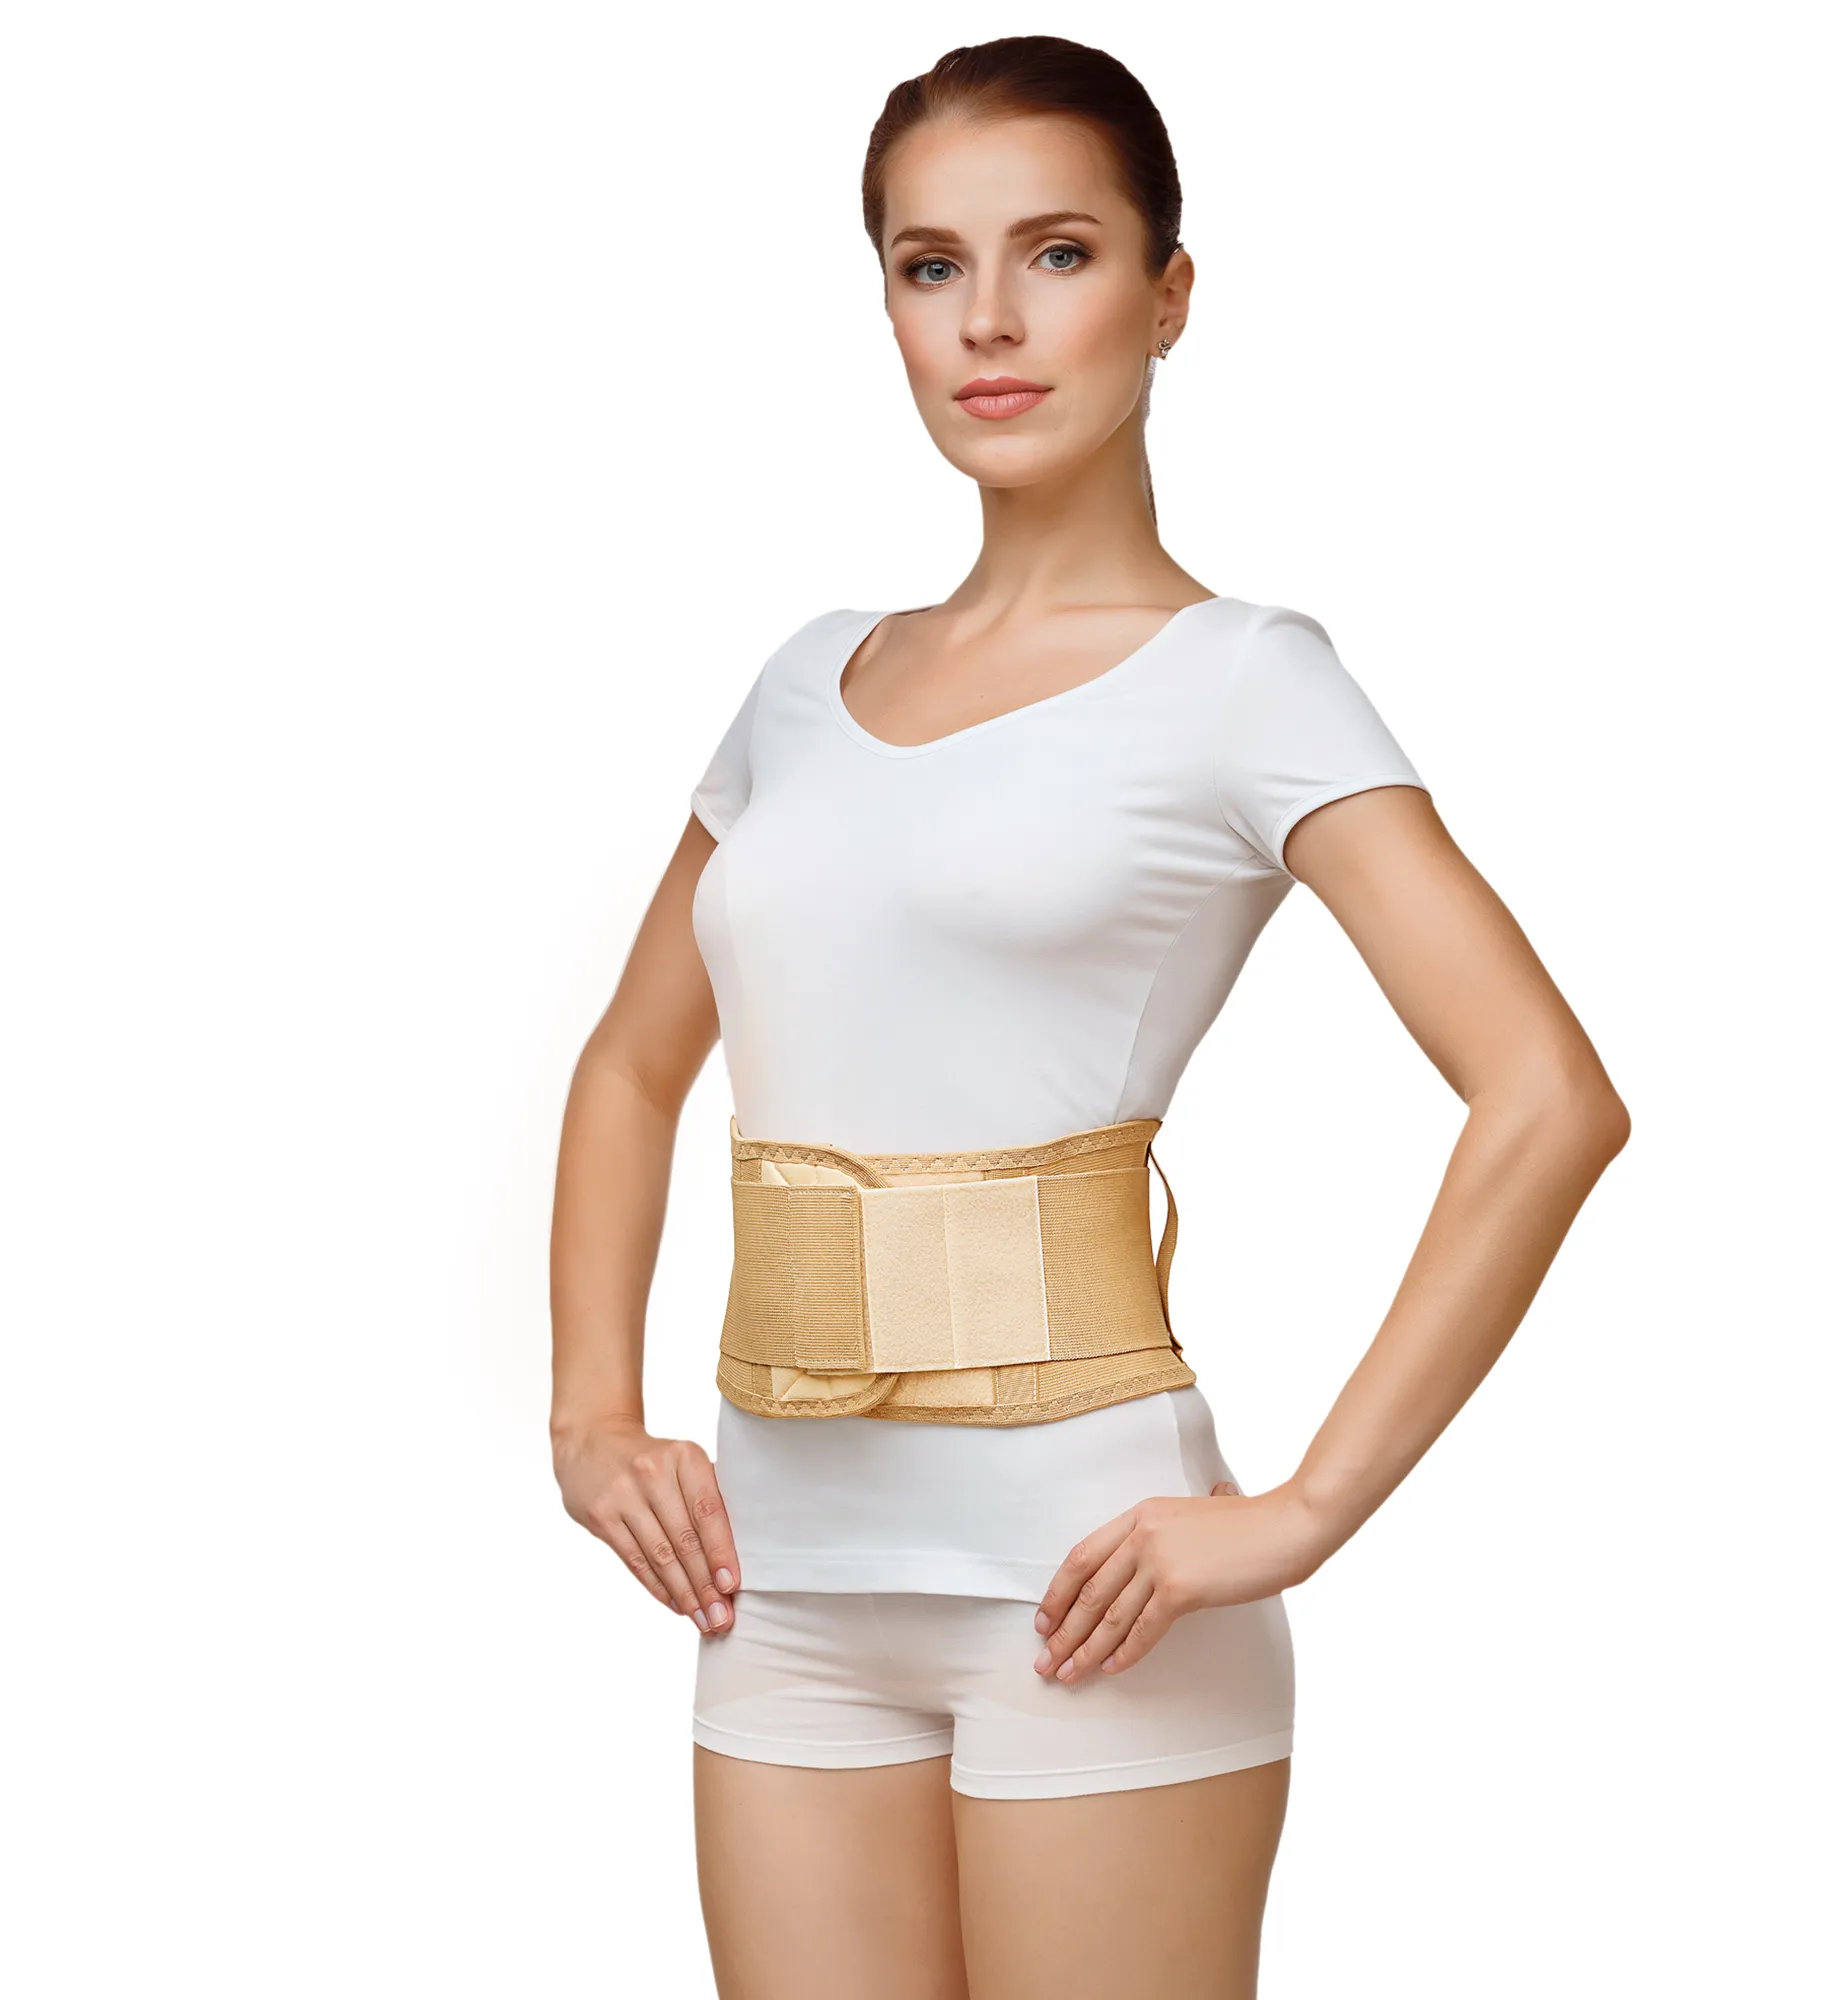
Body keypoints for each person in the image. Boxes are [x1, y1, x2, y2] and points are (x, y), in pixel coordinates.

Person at [548, 34, 1628, 2000]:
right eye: (929, 264)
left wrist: (1303, 1511)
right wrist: (590, 1418)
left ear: (1167, 292)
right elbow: (632, 1066)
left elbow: (1547, 1096)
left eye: (1056, 253)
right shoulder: (801, 681)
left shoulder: (1243, 680)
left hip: (1085, 1585)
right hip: (776, 1588)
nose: (989, 320)